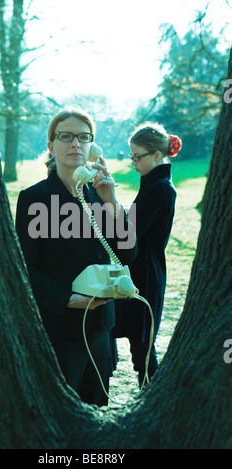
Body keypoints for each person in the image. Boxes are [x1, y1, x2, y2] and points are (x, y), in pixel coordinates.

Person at [15, 106, 137, 406]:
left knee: (96, 413)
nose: (75, 144)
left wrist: (112, 203)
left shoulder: (99, 194)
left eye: (83, 137)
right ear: (51, 146)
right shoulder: (34, 198)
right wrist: (67, 298)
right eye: (66, 136)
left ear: (91, 147)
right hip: (60, 327)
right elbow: (24, 268)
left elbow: (128, 253)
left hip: (101, 328)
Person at [113, 122, 182, 387]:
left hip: (147, 275)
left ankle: (150, 397)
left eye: (137, 156)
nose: (133, 162)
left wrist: (110, 201)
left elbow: (129, 233)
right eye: (131, 156)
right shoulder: (153, 183)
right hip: (136, 270)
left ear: (156, 155)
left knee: (142, 347)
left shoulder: (161, 188)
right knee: (136, 343)